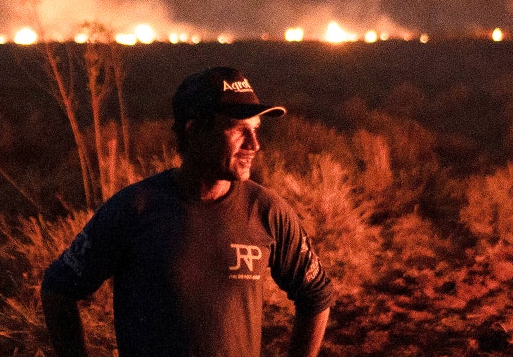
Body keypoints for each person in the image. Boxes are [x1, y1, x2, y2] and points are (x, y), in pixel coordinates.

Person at [41, 66, 333, 357]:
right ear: (195, 131)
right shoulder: (134, 209)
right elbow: (58, 289)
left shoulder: (267, 211)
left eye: (255, 129)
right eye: (238, 129)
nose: (254, 144)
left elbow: (316, 294)